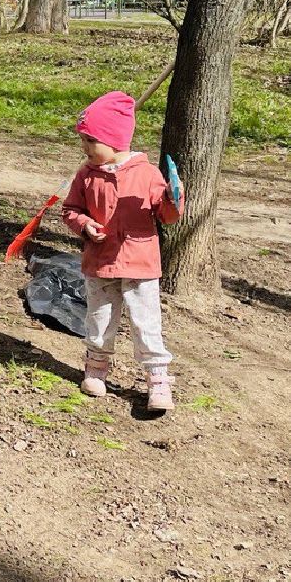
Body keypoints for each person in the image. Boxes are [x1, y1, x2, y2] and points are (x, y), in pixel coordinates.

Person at [60, 91, 184, 413]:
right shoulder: (86, 176)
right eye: (84, 141)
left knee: (146, 321)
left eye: (90, 142)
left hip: (140, 264)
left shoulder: (147, 174)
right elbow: (70, 210)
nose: (85, 149)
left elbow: (167, 217)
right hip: (100, 264)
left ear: (114, 141)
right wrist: (84, 224)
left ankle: (157, 379)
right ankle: (96, 367)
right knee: (99, 318)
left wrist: (173, 199)